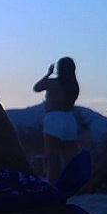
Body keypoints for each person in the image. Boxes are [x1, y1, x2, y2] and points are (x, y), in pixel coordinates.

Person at [33, 56, 81, 184]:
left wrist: (48, 73)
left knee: (53, 158)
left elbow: (36, 88)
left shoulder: (52, 83)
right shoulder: (74, 87)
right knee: (70, 157)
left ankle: (54, 185)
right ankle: (74, 184)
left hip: (54, 118)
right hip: (70, 118)